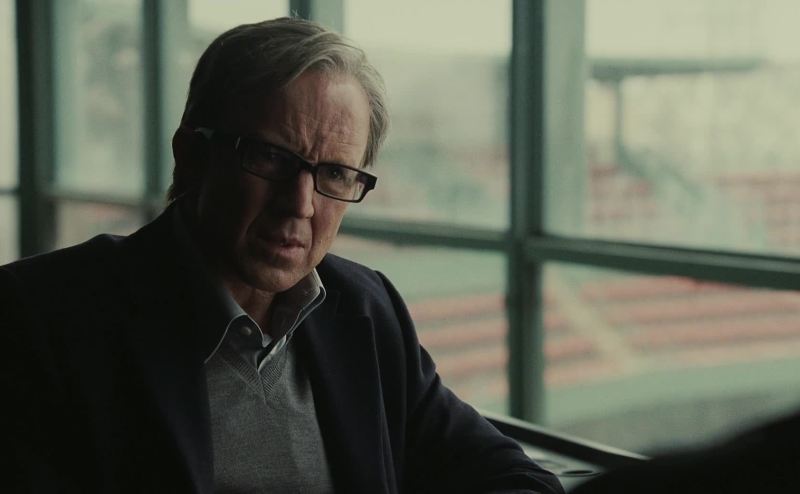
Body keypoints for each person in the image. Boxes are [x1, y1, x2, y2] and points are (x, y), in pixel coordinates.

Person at [0, 17, 563, 494]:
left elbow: (514, 477)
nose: (300, 204)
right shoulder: (37, 317)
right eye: (270, 157)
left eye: (334, 174)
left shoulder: (366, 309)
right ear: (191, 155)